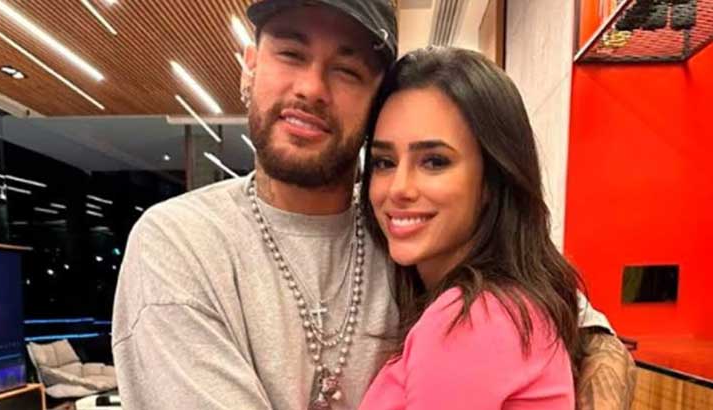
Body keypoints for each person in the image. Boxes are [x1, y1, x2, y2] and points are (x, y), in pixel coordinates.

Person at [111, 1, 635, 409]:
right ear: (250, 66)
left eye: (347, 70)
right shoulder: (180, 244)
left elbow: (589, 336)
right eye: (290, 53)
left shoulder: (418, 234)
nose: (311, 88)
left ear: (377, 98)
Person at [358, 46, 577, 408]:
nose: (398, 188)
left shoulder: (468, 320)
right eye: (384, 162)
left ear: (492, 179)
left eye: (434, 161)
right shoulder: (507, 304)